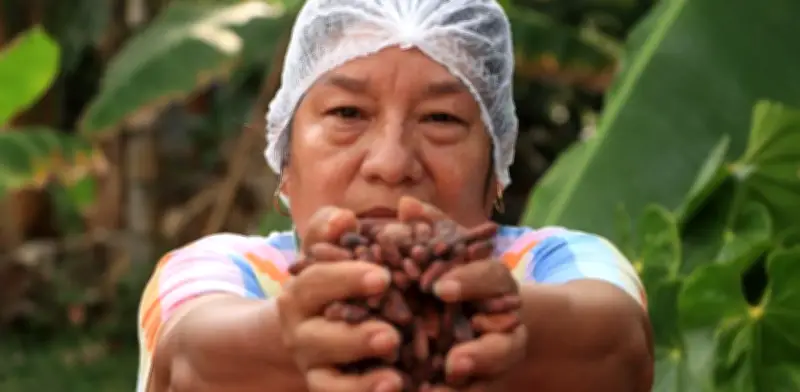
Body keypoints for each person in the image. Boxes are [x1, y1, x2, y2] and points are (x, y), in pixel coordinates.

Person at [136, 0, 653, 391]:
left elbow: (619, 342)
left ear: (496, 169)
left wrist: (496, 323)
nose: (391, 164)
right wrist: (290, 338)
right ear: (285, 160)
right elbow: (188, 356)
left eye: (441, 119)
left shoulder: (555, 263)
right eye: (347, 113)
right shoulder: (223, 269)